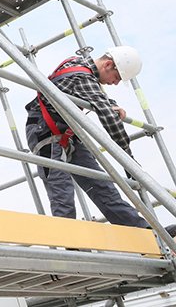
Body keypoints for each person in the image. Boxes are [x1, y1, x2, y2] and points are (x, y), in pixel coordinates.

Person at [25, 46, 149, 226]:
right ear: (108, 65)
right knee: (61, 190)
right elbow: (110, 120)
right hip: (45, 130)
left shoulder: (79, 67)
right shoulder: (82, 76)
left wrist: (110, 103)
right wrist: (128, 160)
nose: (114, 83)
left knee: (100, 184)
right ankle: (74, 246)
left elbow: (93, 94)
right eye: (116, 78)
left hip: (66, 131)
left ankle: (144, 231)